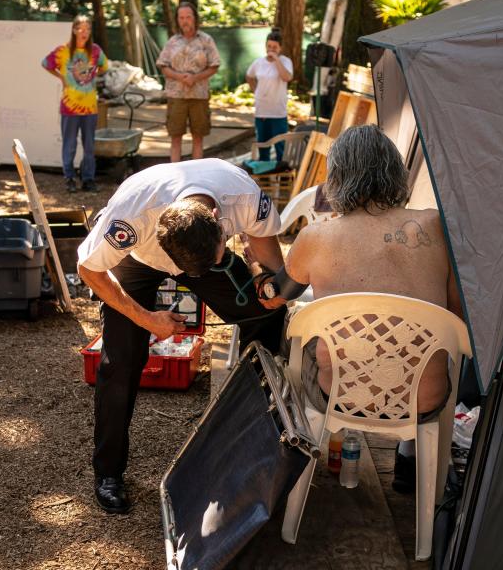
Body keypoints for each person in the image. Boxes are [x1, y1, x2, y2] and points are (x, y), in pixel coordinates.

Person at [258, 124, 463, 493]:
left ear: (335, 178)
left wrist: (261, 276)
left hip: (340, 394)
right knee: (420, 346)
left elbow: (275, 296)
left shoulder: (315, 238)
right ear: (397, 173)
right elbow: (455, 314)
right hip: (423, 400)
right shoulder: (436, 225)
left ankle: (298, 458)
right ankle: (410, 458)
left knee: (298, 349)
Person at [76, 158, 287, 514]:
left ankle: (254, 433)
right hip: (140, 259)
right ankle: (108, 472)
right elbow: (89, 269)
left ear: (222, 225)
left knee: (266, 312)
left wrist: (269, 284)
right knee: (121, 358)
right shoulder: (132, 216)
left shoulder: (245, 198)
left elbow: (271, 261)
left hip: (206, 252)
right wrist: (146, 319)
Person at [41, 14, 108, 193]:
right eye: (81, 28)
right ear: (74, 30)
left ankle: (88, 179)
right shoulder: (63, 51)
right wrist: (61, 76)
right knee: (69, 145)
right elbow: (45, 63)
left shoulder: (95, 51)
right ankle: (69, 177)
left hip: (90, 108)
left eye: (87, 29)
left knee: (89, 146)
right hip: (69, 108)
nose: (84, 32)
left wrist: (93, 74)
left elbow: (105, 66)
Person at [156, 2, 221, 162]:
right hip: (176, 95)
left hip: (199, 95)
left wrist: (195, 78)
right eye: (181, 17)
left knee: (198, 137)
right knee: (175, 136)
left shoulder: (206, 40)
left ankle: (196, 176)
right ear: (178, 20)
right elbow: (163, 65)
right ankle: (175, 176)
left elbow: (214, 65)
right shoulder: (172, 41)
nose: (185, 21)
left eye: (188, 17)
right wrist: (179, 77)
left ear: (195, 19)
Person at [245, 28, 293, 163]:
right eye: (269, 46)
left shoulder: (285, 61)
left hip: (278, 113)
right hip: (262, 113)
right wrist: (255, 91)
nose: (271, 49)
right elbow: (249, 76)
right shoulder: (258, 62)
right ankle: (264, 182)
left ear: (280, 48)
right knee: (263, 149)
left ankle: (283, 181)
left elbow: (286, 77)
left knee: (281, 151)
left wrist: (276, 60)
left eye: (275, 47)